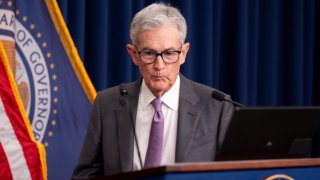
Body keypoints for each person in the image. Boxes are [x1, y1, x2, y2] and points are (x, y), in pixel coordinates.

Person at [72, 3, 234, 179]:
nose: (159, 65)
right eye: (149, 53)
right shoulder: (107, 104)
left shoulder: (216, 107)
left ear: (184, 53)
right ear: (134, 54)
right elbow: (85, 175)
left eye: (169, 53)